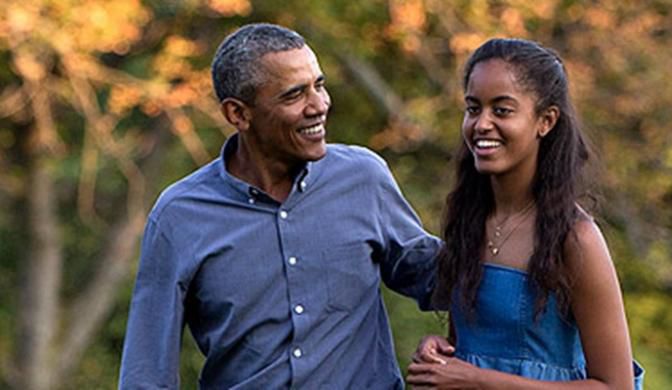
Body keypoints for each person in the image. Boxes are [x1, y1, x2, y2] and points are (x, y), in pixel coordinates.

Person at [119, 23, 441, 389]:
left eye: (319, 85)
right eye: (294, 95)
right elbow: (146, 372)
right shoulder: (179, 215)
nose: (319, 105)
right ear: (238, 114)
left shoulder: (363, 178)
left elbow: (437, 277)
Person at [406, 38, 644, 389]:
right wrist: (441, 354)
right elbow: (474, 347)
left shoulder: (575, 239)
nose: (482, 124)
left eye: (501, 110)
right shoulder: (468, 220)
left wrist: (479, 380)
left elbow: (614, 386)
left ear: (545, 121)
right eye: (473, 109)